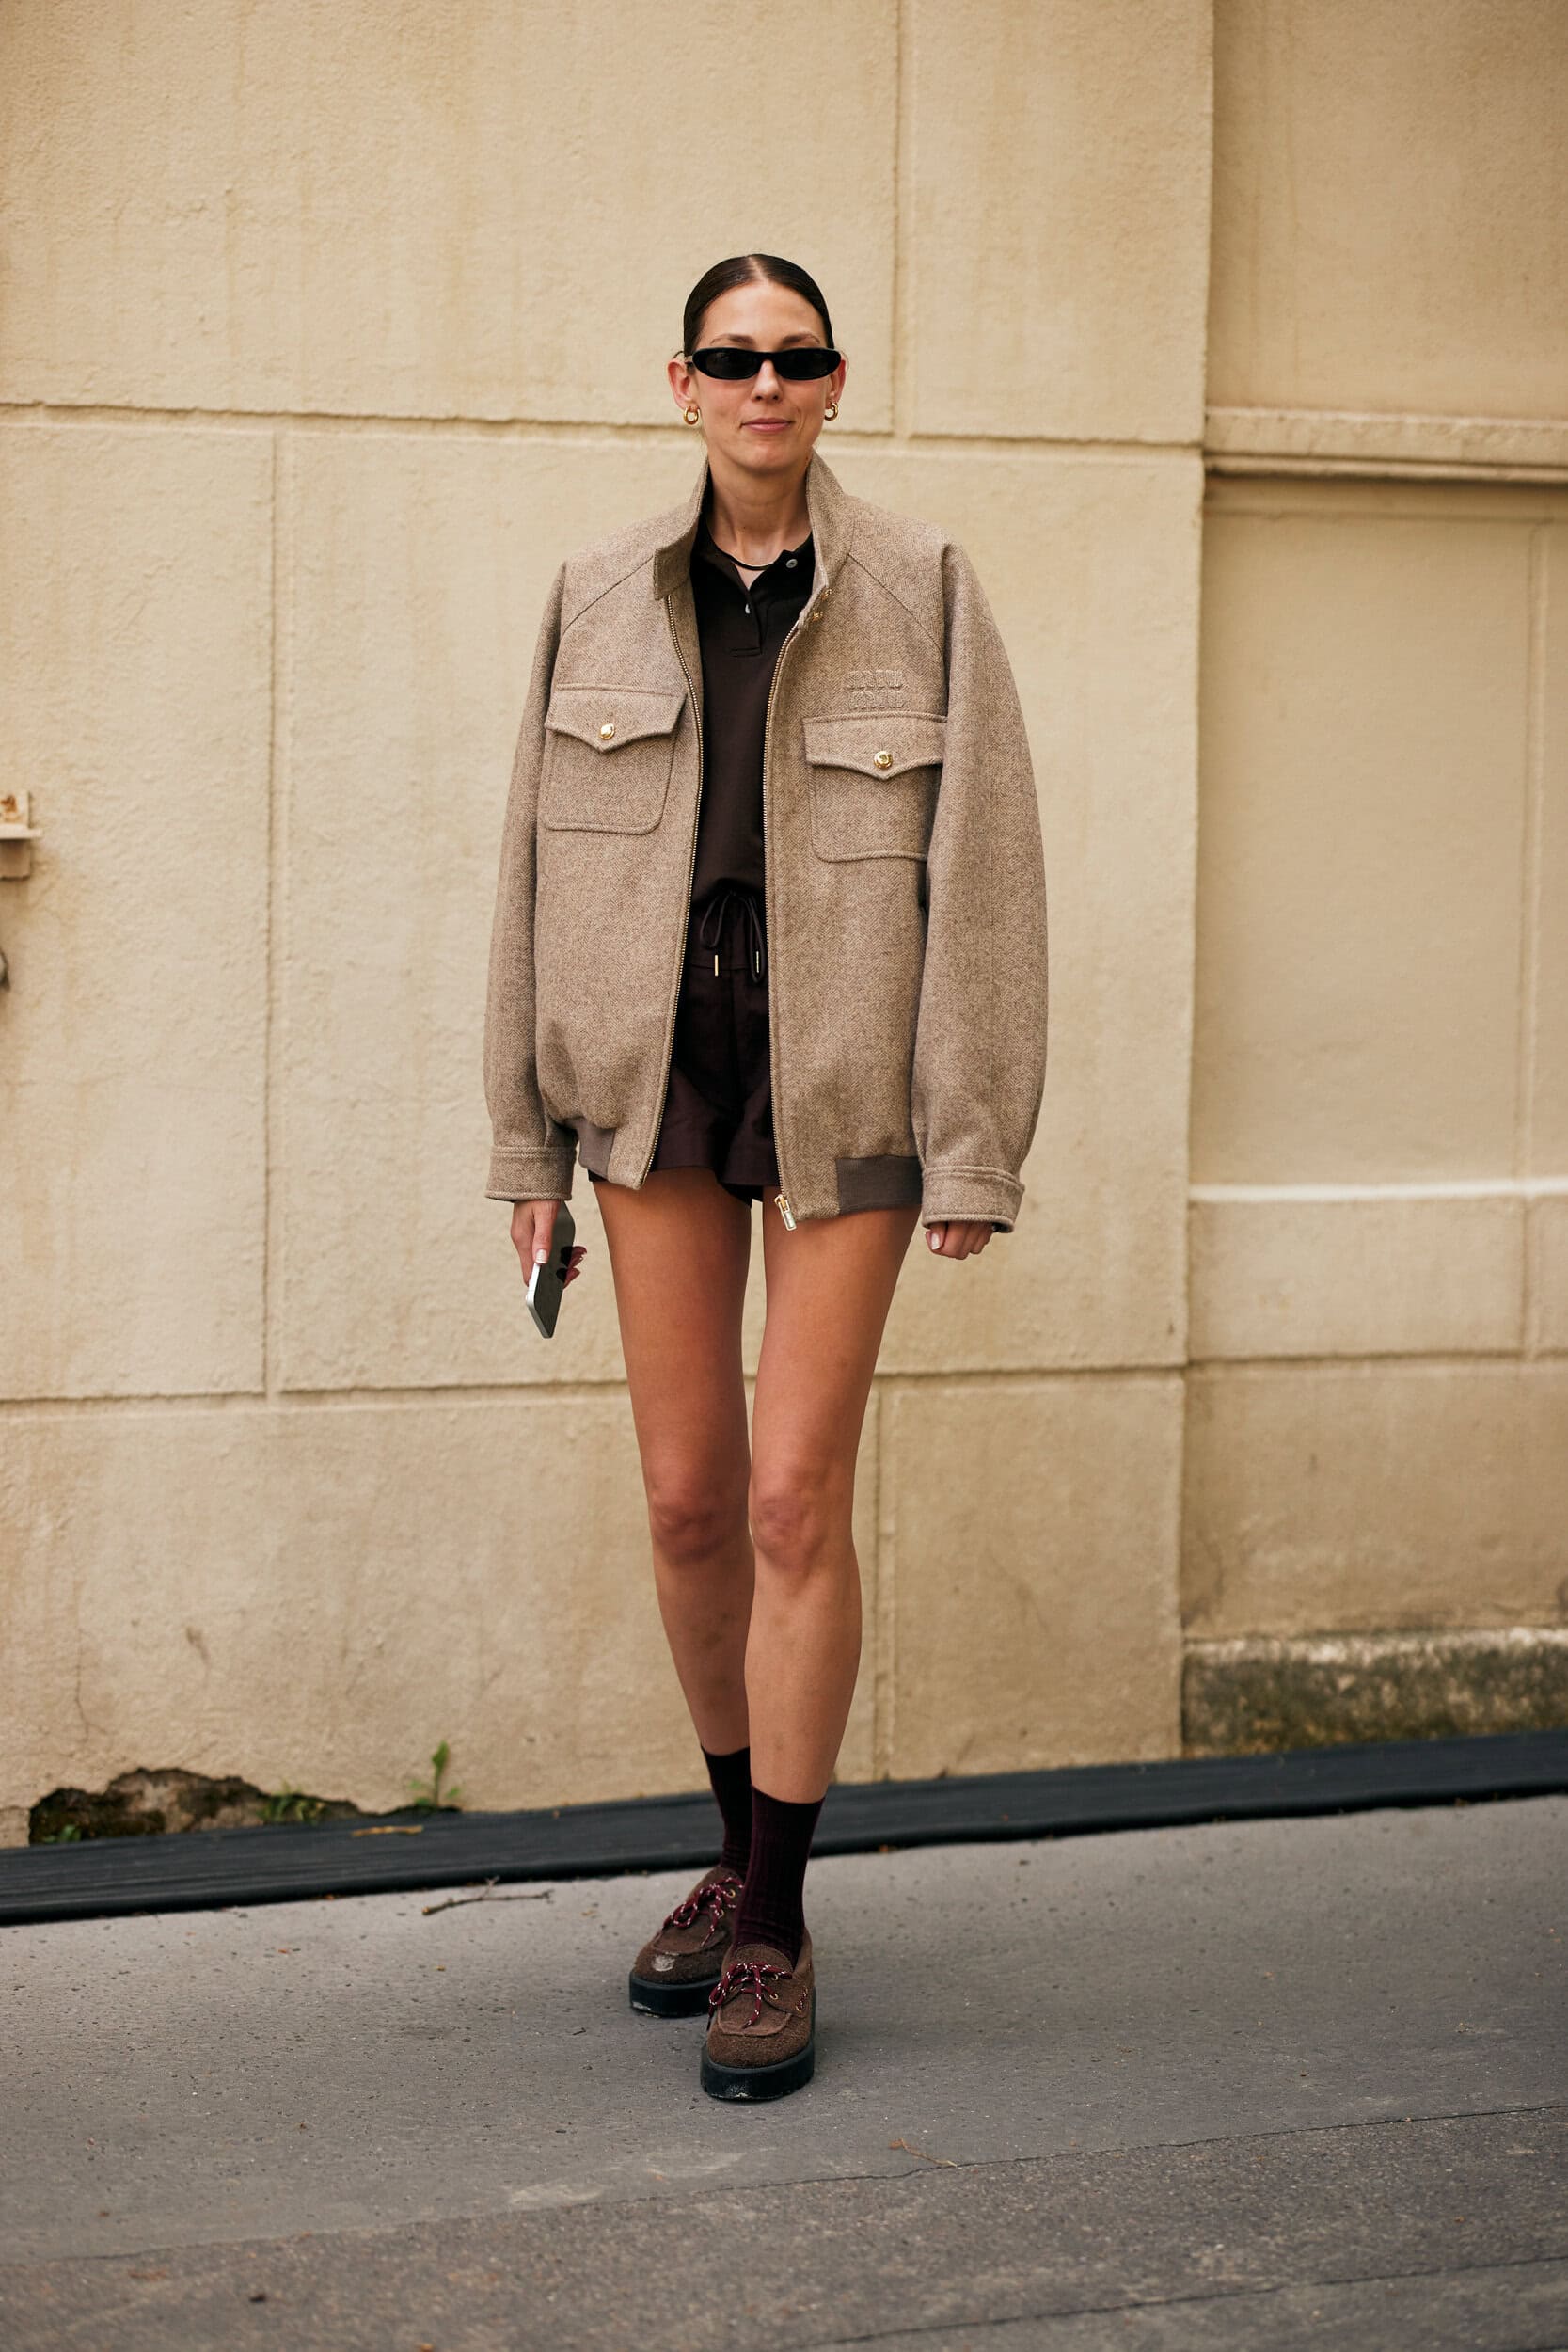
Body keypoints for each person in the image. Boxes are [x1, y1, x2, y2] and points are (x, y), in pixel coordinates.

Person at [483, 252, 1048, 2102]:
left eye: (796, 357)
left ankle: (779, 1921)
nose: (765, 384)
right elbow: (528, 874)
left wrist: (974, 1131)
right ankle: (734, 1847)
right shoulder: (596, 592)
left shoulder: (924, 586)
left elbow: (989, 874)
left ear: (834, 382)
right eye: (733, 358)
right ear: (683, 382)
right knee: (687, 1500)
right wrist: (523, 1137)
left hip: (839, 1088)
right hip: (652, 1085)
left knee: (797, 1495)